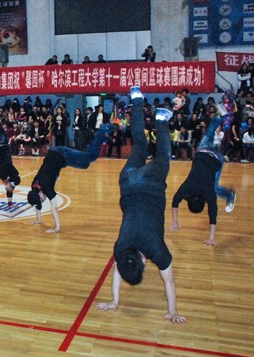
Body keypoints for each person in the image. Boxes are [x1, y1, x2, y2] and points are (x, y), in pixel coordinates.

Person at [96, 86, 186, 324]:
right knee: (140, 145)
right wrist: (114, 301)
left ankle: (162, 120)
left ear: (144, 262)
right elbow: (118, 269)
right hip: (128, 182)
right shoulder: (121, 248)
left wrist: (173, 311)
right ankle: (136, 100)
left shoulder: (155, 248)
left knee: (163, 156)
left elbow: (168, 280)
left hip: (151, 184)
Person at [26, 123, 117, 233]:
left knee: (90, 157)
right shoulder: (34, 187)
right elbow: (37, 203)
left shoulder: (46, 187)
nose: (43, 201)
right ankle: (102, 138)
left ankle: (102, 130)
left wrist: (56, 228)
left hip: (62, 154)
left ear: (40, 193)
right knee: (85, 165)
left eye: (42, 200)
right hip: (58, 158)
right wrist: (38, 220)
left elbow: (54, 208)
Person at [171, 108, 237, 246]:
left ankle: (229, 194)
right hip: (202, 151)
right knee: (209, 132)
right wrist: (174, 221)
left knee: (215, 188)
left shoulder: (208, 194)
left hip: (216, 159)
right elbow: (175, 202)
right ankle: (219, 116)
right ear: (188, 200)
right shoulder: (186, 189)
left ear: (204, 202)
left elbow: (213, 213)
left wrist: (212, 238)